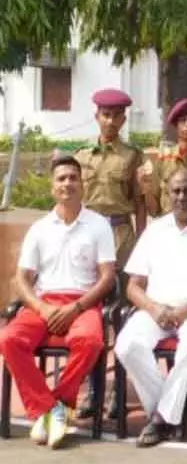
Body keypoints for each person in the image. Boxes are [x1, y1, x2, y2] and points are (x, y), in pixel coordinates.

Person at [0, 156, 116, 448]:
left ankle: (60, 404)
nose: (67, 183)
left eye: (73, 178)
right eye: (61, 179)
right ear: (53, 187)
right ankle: (49, 409)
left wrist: (76, 308)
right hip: (44, 303)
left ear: (82, 185)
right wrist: (43, 308)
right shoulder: (40, 228)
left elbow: (107, 278)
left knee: (90, 342)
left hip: (83, 303)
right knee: (8, 339)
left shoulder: (99, 225)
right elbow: (21, 278)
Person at [114, 168, 187, 447]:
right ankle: (171, 414)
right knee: (127, 345)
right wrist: (153, 309)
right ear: (168, 194)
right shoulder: (154, 232)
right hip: (155, 310)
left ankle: (159, 419)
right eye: (176, 191)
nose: (182, 197)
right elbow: (133, 285)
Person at [74, 88, 147, 420]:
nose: (110, 121)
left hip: (121, 239)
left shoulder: (133, 157)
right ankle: (92, 389)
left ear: (123, 119)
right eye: (105, 114)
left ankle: (117, 391)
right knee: (91, 316)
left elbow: (140, 204)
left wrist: (143, 248)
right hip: (89, 240)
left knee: (122, 319)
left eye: (116, 115)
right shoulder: (81, 157)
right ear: (96, 116)